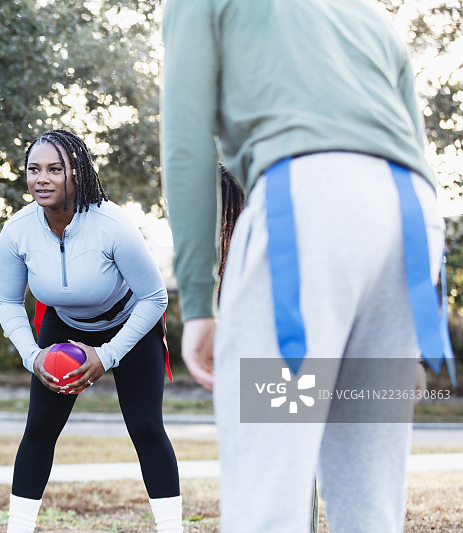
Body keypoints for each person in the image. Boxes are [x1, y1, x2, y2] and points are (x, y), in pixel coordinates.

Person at [161, 1, 450, 532]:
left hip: (312, 206)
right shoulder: (367, 13)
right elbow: (417, 149)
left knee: (267, 488)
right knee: (370, 502)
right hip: (411, 219)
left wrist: (198, 302)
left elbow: (186, 144)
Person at [0, 129, 183, 533]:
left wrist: (107, 355)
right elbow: (8, 302)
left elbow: (155, 298)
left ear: (76, 173)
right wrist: (34, 356)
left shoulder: (112, 224)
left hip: (130, 320)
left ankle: (172, 528)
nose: (41, 179)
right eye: (34, 169)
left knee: (146, 427)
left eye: (54, 169)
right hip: (62, 323)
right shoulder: (16, 231)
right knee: (39, 429)